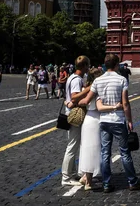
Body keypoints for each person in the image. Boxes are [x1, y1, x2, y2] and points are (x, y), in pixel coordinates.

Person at [79, 54, 140, 193]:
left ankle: (106, 184)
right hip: (118, 120)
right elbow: (125, 103)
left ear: (105, 65)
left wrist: (73, 101)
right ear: (117, 65)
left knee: (105, 153)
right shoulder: (121, 79)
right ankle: (133, 182)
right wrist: (129, 121)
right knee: (125, 153)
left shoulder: (98, 80)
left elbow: (86, 100)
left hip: (103, 121)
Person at [78, 68, 120, 191]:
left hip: (87, 119)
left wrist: (72, 103)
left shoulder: (85, 89)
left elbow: (82, 101)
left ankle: (85, 176)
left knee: (86, 148)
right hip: (96, 119)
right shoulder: (98, 90)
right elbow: (99, 106)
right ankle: (89, 182)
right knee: (94, 150)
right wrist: (114, 107)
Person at [61, 55, 91, 187]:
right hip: (74, 115)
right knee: (72, 146)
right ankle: (66, 177)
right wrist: (89, 89)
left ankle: (71, 173)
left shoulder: (73, 78)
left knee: (73, 144)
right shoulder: (76, 80)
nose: (88, 68)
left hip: (71, 113)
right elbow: (74, 97)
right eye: (87, 66)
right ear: (84, 66)